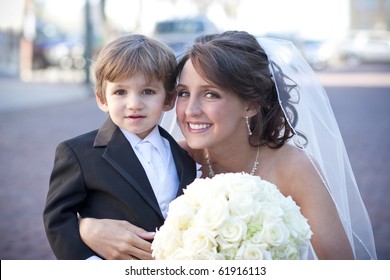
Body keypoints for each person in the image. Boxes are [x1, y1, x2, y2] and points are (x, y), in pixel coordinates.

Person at [79, 31, 377, 260]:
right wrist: (86, 228)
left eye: (210, 95)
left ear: (250, 104)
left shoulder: (293, 167)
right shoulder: (171, 158)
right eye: (183, 93)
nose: (190, 110)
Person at [42, 34, 197, 260]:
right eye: (120, 92)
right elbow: (57, 219)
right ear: (102, 99)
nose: (134, 104)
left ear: (168, 99)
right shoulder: (77, 153)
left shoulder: (184, 155)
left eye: (148, 91)